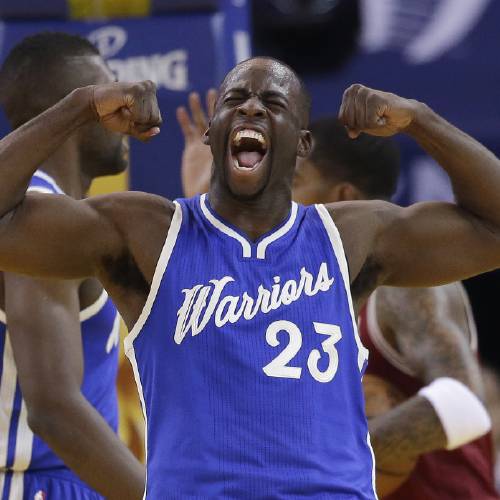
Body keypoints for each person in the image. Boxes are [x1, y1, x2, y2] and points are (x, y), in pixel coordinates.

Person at [0, 57, 498, 498]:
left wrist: (423, 121)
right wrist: (80, 107)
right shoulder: (148, 231)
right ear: (212, 133)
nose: (252, 108)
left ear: (302, 144)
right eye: (234, 99)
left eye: (273, 102)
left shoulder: (350, 236)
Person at [179, 102, 498, 498]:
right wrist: (204, 207)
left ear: (341, 195)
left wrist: (327, 456)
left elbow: (463, 402)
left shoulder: (402, 287)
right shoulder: (284, 294)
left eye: (291, 182)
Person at [0, 33, 144, 499]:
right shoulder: (37, 217)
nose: (128, 111)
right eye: (111, 90)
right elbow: (54, 410)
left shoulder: (52, 212)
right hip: (32, 484)